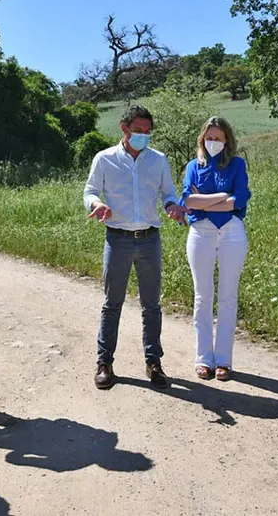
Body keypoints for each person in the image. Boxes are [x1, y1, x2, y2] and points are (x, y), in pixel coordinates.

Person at [83, 104, 187, 390]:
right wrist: (97, 204)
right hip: (117, 239)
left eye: (148, 132)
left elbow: (168, 192)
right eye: (138, 131)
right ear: (124, 128)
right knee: (112, 303)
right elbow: (90, 190)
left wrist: (171, 206)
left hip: (149, 238)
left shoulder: (158, 160)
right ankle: (105, 363)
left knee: (151, 305)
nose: (143, 136)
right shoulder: (104, 159)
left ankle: (154, 363)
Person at [180, 116, 250, 382]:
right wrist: (223, 197)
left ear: (227, 141)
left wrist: (205, 202)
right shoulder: (192, 167)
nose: (213, 143)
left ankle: (223, 360)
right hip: (201, 233)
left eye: (218, 138)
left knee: (228, 297)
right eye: (209, 138)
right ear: (202, 139)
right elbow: (188, 200)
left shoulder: (237, 164)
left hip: (232, 232)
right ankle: (203, 359)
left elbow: (239, 199)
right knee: (202, 297)